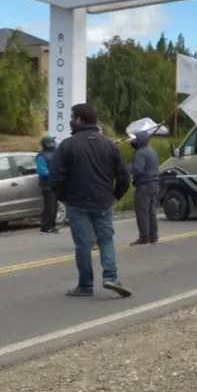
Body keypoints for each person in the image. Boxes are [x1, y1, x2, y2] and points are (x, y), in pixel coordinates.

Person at [50, 103, 132, 298]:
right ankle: (111, 276)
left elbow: (55, 177)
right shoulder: (109, 145)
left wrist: (63, 196)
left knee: (83, 244)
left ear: (78, 120)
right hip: (103, 201)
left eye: (72, 117)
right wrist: (115, 195)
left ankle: (85, 285)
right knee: (106, 239)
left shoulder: (68, 145)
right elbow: (124, 176)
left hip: (77, 203)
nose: (71, 121)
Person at [130, 131, 160, 245]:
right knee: (151, 212)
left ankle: (144, 237)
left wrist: (127, 168)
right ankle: (153, 236)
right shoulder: (152, 151)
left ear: (140, 140)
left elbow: (138, 170)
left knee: (142, 212)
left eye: (135, 139)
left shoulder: (140, 153)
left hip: (144, 185)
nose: (134, 142)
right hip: (155, 184)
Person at [36, 135, 58, 235]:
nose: (53, 143)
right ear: (46, 143)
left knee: (54, 207)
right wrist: (53, 173)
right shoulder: (42, 155)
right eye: (51, 142)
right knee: (49, 206)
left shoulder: (56, 153)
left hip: (55, 184)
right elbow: (42, 170)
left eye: (53, 141)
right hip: (47, 185)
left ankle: (52, 225)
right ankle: (45, 226)